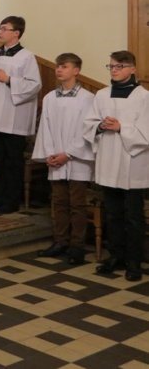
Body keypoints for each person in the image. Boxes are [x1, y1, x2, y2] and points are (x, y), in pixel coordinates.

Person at [84, 50, 149, 281]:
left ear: (132, 69)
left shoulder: (144, 97)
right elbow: (89, 123)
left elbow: (146, 132)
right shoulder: (101, 95)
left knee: (133, 217)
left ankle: (134, 262)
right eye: (111, 66)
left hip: (132, 163)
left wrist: (121, 127)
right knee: (112, 214)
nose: (114, 70)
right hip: (108, 160)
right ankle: (116, 256)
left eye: (119, 66)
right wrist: (101, 126)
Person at [32, 53, 95, 266]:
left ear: (76, 70)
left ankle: (77, 247)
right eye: (58, 66)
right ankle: (60, 241)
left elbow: (87, 131)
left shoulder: (87, 98)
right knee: (58, 202)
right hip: (55, 158)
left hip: (77, 159)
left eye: (64, 66)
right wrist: (50, 154)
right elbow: (45, 128)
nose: (59, 70)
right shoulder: (50, 97)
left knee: (77, 204)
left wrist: (67, 154)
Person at [0, 16, 42, 215]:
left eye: (4, 28)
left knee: (13, 161)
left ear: (16, 33)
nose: (0, 31)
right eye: (0, 28)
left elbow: (34, 85)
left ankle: (11, 201)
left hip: (15, 118)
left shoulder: (27, 57)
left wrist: (8, 79)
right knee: (0, 159)